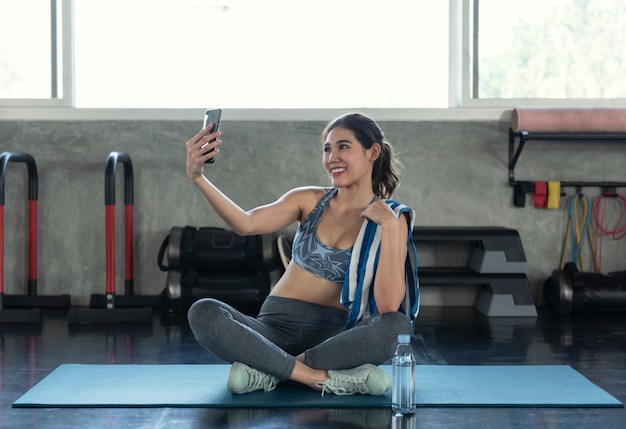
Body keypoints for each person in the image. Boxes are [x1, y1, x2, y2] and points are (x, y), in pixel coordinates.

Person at [185, 112, 419, 396]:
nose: (332, 157)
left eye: (343, 146)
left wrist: (390, 228)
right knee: (204, 311)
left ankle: (270, 370)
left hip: (333, 338)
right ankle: (317, 377)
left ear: (373, 152)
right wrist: (198, 178)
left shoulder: (393, 218)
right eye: (327, 149)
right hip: (272, 329)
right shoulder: (309, 200)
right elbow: (246, 224)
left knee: (397, 326)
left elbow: (388, 306)